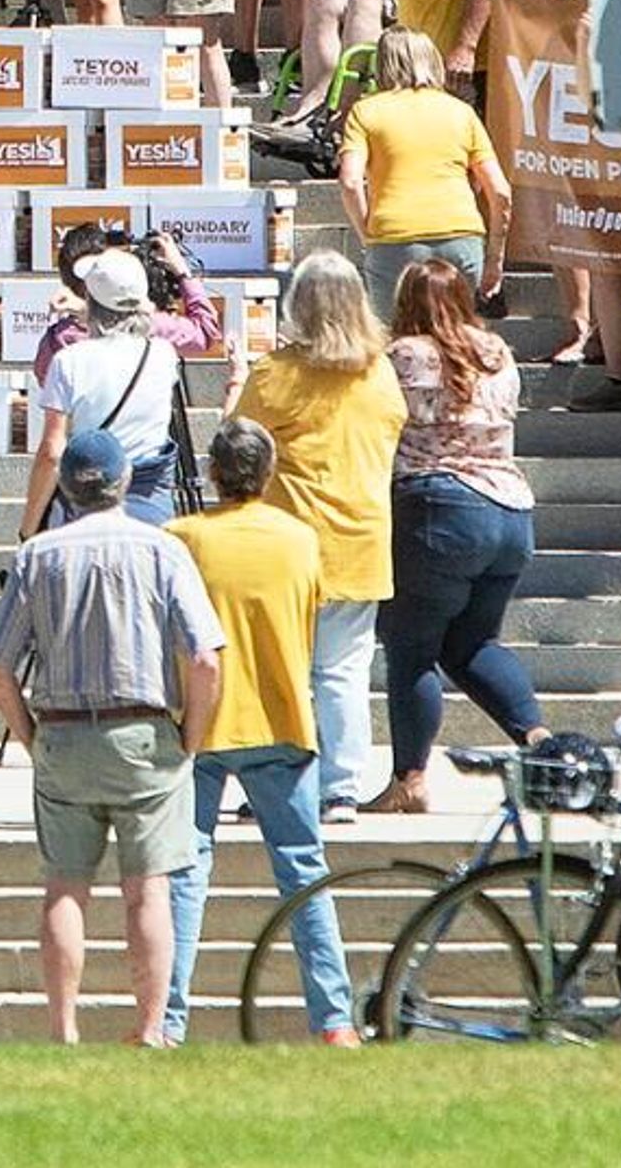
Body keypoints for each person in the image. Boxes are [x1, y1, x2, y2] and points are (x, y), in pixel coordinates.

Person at [0, 427, 226, 1047]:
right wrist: (192, 737)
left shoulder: (39, 556)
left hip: (63, 733)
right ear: (123, 483)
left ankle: (63, 1029)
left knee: (66, 888)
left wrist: (30, 736)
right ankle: (148, 1030)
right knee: (149, 890)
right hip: (144, 732)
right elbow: (205, 659)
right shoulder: (162, 549)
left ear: (65, 488)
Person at [162, 422, 356, 1045]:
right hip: (281, 717)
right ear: (268, 475)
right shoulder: (300, 539)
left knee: (185, 872)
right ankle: (334, 1019)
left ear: (214, 474)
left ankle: (167, 1020)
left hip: (198, 721)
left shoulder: (181, 537)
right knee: (304, 872)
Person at [227, 253, 404, 823]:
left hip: (289, 546)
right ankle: (342, 789)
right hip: (361, 541)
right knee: (344, 672)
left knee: (282, 673)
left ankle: (281, 785)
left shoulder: (275, 373)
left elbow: (236, 442)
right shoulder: (380, 372)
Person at [371, 258, 551, 813]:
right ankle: (540, 742)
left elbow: (381, 419)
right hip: (511, 509)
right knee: (474, 644)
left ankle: (410, 779)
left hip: (439, 507)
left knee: (412, 649)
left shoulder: (406, 355)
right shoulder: (497, 353)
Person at [339, 27, 509, 306]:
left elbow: (350, 182)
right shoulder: (461, 112)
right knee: (457, 338)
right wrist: (495, 258)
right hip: (461, 235)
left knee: (396, 342)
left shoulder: (365, 111)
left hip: (394, 237)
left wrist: (368, 233)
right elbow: (501, 192)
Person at [24, 251, 188, 531]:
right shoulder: (164, 355)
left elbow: (52, 452)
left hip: (85, 505)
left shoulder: (69, 361)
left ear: (90, 299)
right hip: (151, 506)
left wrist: (28, 528)